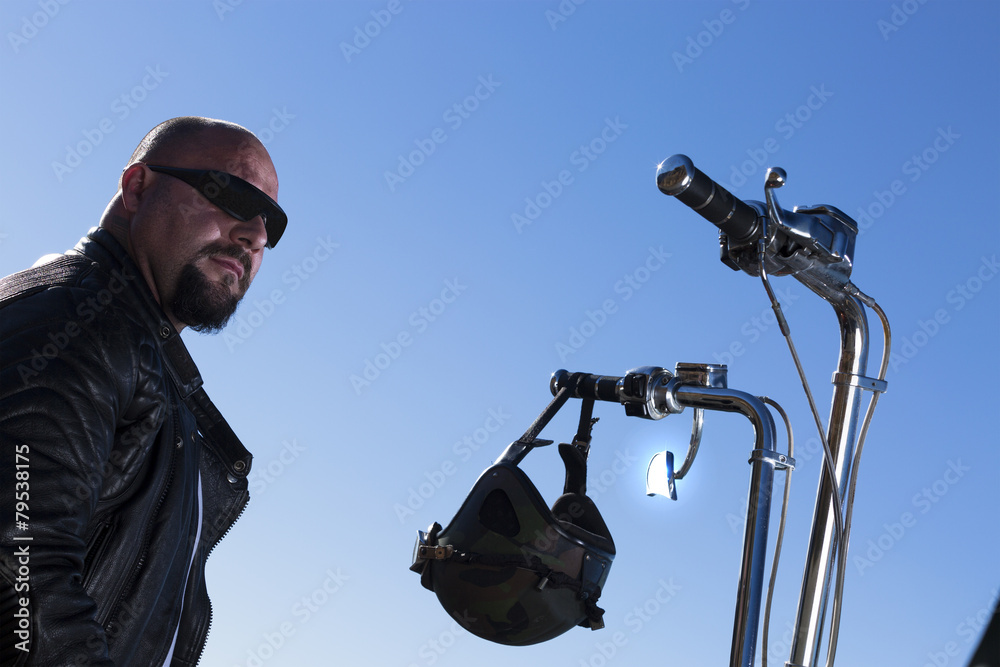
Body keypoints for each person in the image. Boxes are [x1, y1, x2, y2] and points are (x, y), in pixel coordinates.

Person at [0, 116, 287, 666]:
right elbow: (19, 571)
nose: (253, 234)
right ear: (137, 189)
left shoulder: (144, 361)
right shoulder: (74, 326)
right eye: (228, 195)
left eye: (270, 221)